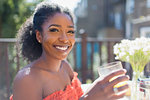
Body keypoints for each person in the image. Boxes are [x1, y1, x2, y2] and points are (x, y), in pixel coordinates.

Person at [10, 2, 129, 100]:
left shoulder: (65, 67)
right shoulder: (27, 79)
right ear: (39, 36)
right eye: (54, 30)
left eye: (70, 32)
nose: (65, 39)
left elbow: (78, 97)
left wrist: (100, 92)